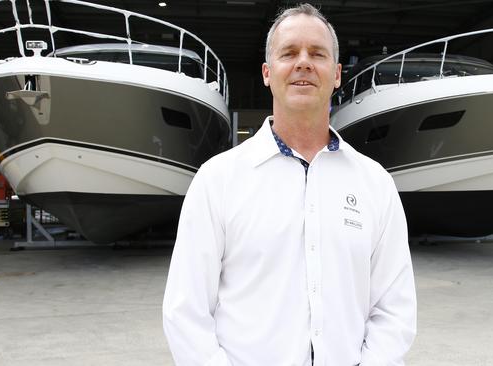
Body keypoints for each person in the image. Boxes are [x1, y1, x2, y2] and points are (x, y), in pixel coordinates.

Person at [163, 3, 416, 365]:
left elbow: (395, 306)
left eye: (317, 53)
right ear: (267, 73)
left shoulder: (375, 183)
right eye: (289, 53)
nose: (303, 62)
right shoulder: (218, 180)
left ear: (337, 73)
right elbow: (185, 310)